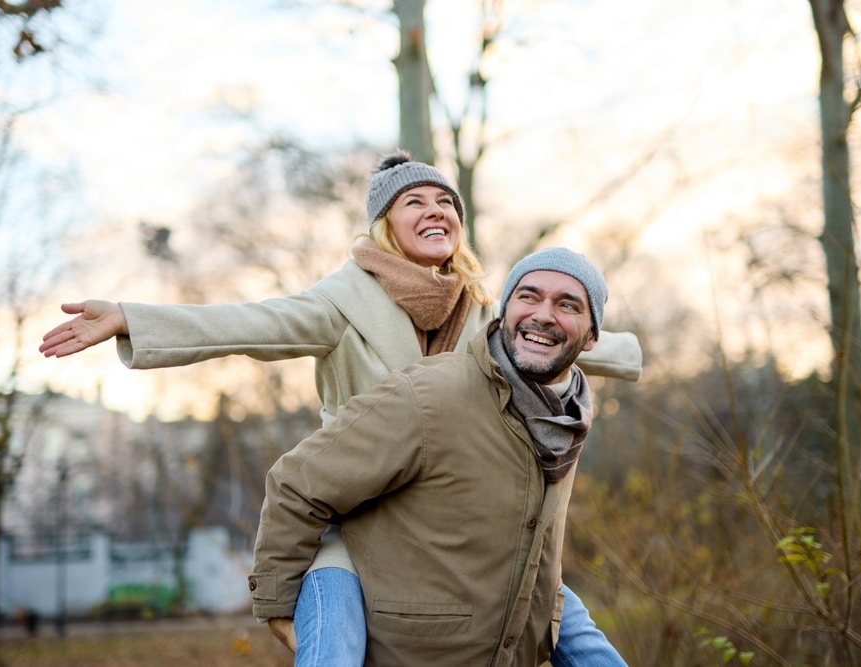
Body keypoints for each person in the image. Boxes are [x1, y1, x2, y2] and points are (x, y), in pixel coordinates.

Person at [39, 152, 637, 665]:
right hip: (353, 523)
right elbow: (253, 322)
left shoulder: (484, 310)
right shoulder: (342, 303)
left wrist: (630, 349)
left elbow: (552, 334)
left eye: (445, 202)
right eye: (414, 202)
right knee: (333, 652)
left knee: (565, 622)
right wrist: (134, 318)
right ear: (383, 225)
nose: (435, 211)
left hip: (442, 529)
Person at [249, 247, 624, 665]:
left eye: (567, 304)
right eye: (528, 296)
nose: (543, 314)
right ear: (504, 312)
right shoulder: (429, 395)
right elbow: (297, 482)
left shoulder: (569, 417)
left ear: (591, 336)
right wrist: (278, 611)